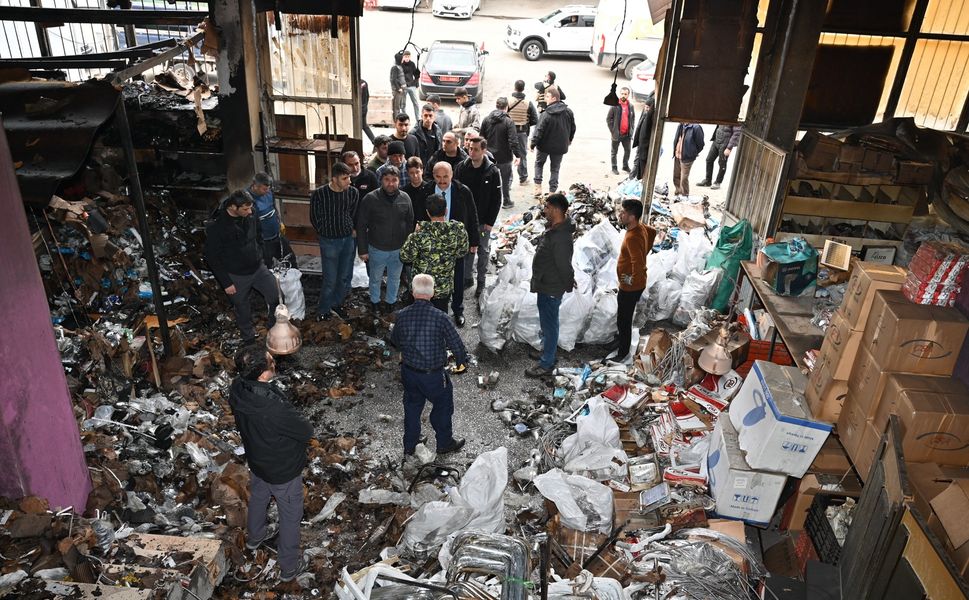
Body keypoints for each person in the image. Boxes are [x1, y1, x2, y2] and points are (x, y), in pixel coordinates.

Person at [230, 344, 312, 583]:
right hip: (282, 468)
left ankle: (255, 537)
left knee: (259, 497)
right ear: (263, 373)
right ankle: (289, 567)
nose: (274, 361)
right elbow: (305, 431)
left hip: (257, 459)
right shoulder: (272, 407)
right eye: (270, 360)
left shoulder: (237, 387)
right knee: (290, 516)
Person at [389, 273, 468, 458]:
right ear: (432, 293)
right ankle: (444, 442)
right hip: (433, 375)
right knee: (443, 406)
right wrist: (461, 361)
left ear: (413, 292)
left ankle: (410, 444)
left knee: (412, 408)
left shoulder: (401, 316)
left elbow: (395, 341)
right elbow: (456, 344)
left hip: (409, 373)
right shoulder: (441, 317)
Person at [204, 191, 279, 341]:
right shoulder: (217, 227)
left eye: (250, 208)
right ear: (233, 207)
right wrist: (226, 282)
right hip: (236, 275)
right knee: (242, 308)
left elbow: (259, 236)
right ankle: (248, 338)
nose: (250, 211)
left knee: (275, 296)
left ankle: (274, 329)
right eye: (245, 209)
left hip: (258, 268)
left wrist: (264, 258)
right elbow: (212, 257)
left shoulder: (251, 215)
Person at [526, 193, 575, 378]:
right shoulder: (555, 229)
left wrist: (568, 282)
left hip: (551, 287)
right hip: (545, 283)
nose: (544, 210)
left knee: (550, 324)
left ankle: (547, 362)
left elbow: (564, 265)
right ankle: (548, 350)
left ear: (555, 209)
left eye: (546, 207)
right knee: (547, 323)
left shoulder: (562, 237)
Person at [356, 165, 414, 313]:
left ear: (399, 181)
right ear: (381, 180)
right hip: (377, 248)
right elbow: (361, 225)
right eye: (387, 179)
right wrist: (363, 250)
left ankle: (391, 303)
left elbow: (409, 223)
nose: (390, 183)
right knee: (375, 278)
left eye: (394, 180)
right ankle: (374, 303)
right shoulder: (370, 199)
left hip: (398, 249)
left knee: (394, 279)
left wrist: (408, 247)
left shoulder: (405, 198)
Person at [400, 195, 469, 313]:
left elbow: (405, 257)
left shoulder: (419, 234)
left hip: (421, 288)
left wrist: (414, 234)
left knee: (419, 319)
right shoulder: (457, 230)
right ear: (446, 210)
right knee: (440, 319)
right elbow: (462, 252)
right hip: (443, 288)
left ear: (427, 212)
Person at [607, 199, 656, 363]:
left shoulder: (632, 238)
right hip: (634, 285)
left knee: (624, 319)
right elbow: (653, 231)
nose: (620, 215)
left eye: (623, 212)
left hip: (630, 288)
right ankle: (621, 339)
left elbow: (639, 264)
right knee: (624, 316)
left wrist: (631, 280)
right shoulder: (640, 228)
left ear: (632, 216)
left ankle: (622, 352)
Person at [431, 162, 480, 324]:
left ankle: (458, 310)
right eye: (438, 176)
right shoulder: (427, 190)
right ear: (433, 176)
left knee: (457, 279)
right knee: (435, 279)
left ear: (452, 175)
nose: (442, 180)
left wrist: (474, 240)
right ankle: (436, 311)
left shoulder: (463, 191)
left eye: (446, 176)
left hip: (456, 244)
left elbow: (472, 216)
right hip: (433, 245)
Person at [310, 162, 358, 321]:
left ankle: (336, 304)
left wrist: (349, 228)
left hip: (347, 240)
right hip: (329, 241)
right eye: (345, 178)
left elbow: (352, 212)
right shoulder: (320, 194)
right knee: (330, 279)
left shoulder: (352, 193)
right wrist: (324, 232)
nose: (349, 181)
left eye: (349, 177)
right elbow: (314, 218)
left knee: (344, 277)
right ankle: (323, 311)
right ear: (334, 178)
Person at [454, 138, 499, 300]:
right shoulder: (461, 168)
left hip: (482, 221)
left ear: (484, 151)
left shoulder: (492, 171)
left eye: (475, 149)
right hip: (465, 220)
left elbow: (496, 199)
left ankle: (481, 281)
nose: (471, 152)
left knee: (483, 252)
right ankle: (467, 279)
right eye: (470, 148)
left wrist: (489, 222)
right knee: (466, 251)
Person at [531, 85, 575, 196]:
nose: (545, 98)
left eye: (547, 96)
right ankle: (552, 192)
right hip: (560, 147)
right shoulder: (568, 112)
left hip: (544, 146)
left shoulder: (546, 114)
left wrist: (532, 143)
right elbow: (573, 128)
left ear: (554, 98)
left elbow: (539, 130)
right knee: (555, 169)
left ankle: (537, 187)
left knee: (539, 164)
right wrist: (569, 140)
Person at [479, 96, 522, 209]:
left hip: (488, 156)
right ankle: (506, 201)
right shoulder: (508, 121)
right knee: (505, 179)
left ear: (497, 105)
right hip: (504, 157)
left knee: (488, 179)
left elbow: (481, 138)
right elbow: (513, 140)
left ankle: (487, 201)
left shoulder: (486, 119)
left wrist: (482, 153)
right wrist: (517, 155)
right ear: (506, 107)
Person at [244, 172, 294, 269]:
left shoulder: (269, 193)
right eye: (264, 189)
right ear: (255, 186)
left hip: (277, 236)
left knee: (290, 260)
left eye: (268, 188)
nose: (267, 191)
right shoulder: (247, 199)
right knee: (268, 267)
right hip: (263, 242)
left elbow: (274, 207)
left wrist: (279, 222)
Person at [508, 79, 539, 186]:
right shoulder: (528, 103)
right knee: (522, 155)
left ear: (514, 87)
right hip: (522, 132)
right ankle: (523, 178)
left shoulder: (508, 101)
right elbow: (535, 120)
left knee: (507, 156)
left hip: (508, 132)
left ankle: (508, 180)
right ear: (523, 89)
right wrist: (525, 124)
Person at [697, 124, 742, 190]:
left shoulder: (735, 117)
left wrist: (729, 148)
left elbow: (737, 133)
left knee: (722, 163)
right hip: (716, 140)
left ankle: (718, 182)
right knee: (709, 159)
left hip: (725, 143)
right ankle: (708, 181)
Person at [606, 86, 635, 175]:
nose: (623, 95)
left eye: (625, 94)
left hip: (627, 135)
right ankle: (614, 167)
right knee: (614, 152)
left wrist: (631, 129)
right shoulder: (615, 106)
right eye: (622, 93)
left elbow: (632, 119)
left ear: (628, 95)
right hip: (617, 134)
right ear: (620, 94)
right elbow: (608, 119)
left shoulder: (630, 106)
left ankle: (625, 166)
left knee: (628, 151)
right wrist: (613, 130)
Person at [671, 122, 705, 198]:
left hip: (687, 157)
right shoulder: (681, 125)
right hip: (677, 154)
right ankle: (678, 193)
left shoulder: (696, 127)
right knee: (676, 176)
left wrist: (692, 153)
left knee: (683, 179)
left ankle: (684, 195)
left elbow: (701, 144)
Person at [402, 156, 434, 221]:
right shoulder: (404, 192)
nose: (415, 176)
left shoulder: (430, 189)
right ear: (407, 173)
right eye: (411, 173)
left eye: (417, 172)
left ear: (422, 171)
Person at [631, 93, 655, 180]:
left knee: (640, 166)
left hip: (645, 148)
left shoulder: (649, 117)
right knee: (636, 163)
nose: (646, 109)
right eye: (646, 107)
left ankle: (635, 179)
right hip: (640, 146)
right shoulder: (644, 114)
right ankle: (632, 179)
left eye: (649, 108)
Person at [400, 49, 421, 121]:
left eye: (408, 56)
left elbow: (416, 75)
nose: (407, 58)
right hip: (404, 86)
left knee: (416, 103)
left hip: (412, 85)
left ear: (410, 57)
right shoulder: (400, 65)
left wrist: (416, 84)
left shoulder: (412, 64)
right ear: (403, 57)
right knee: (403, 104)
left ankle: (418, 119)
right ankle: (404, 118)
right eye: (405, 56)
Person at [360, 79, 375, 143]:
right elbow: (367, 96)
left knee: (362, 126)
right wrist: (365, 106)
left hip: (358, 108)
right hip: (364, 107)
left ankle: (375, 142)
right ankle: (375, 142)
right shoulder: (364, 82)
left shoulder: (353, 83)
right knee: (364, 126)